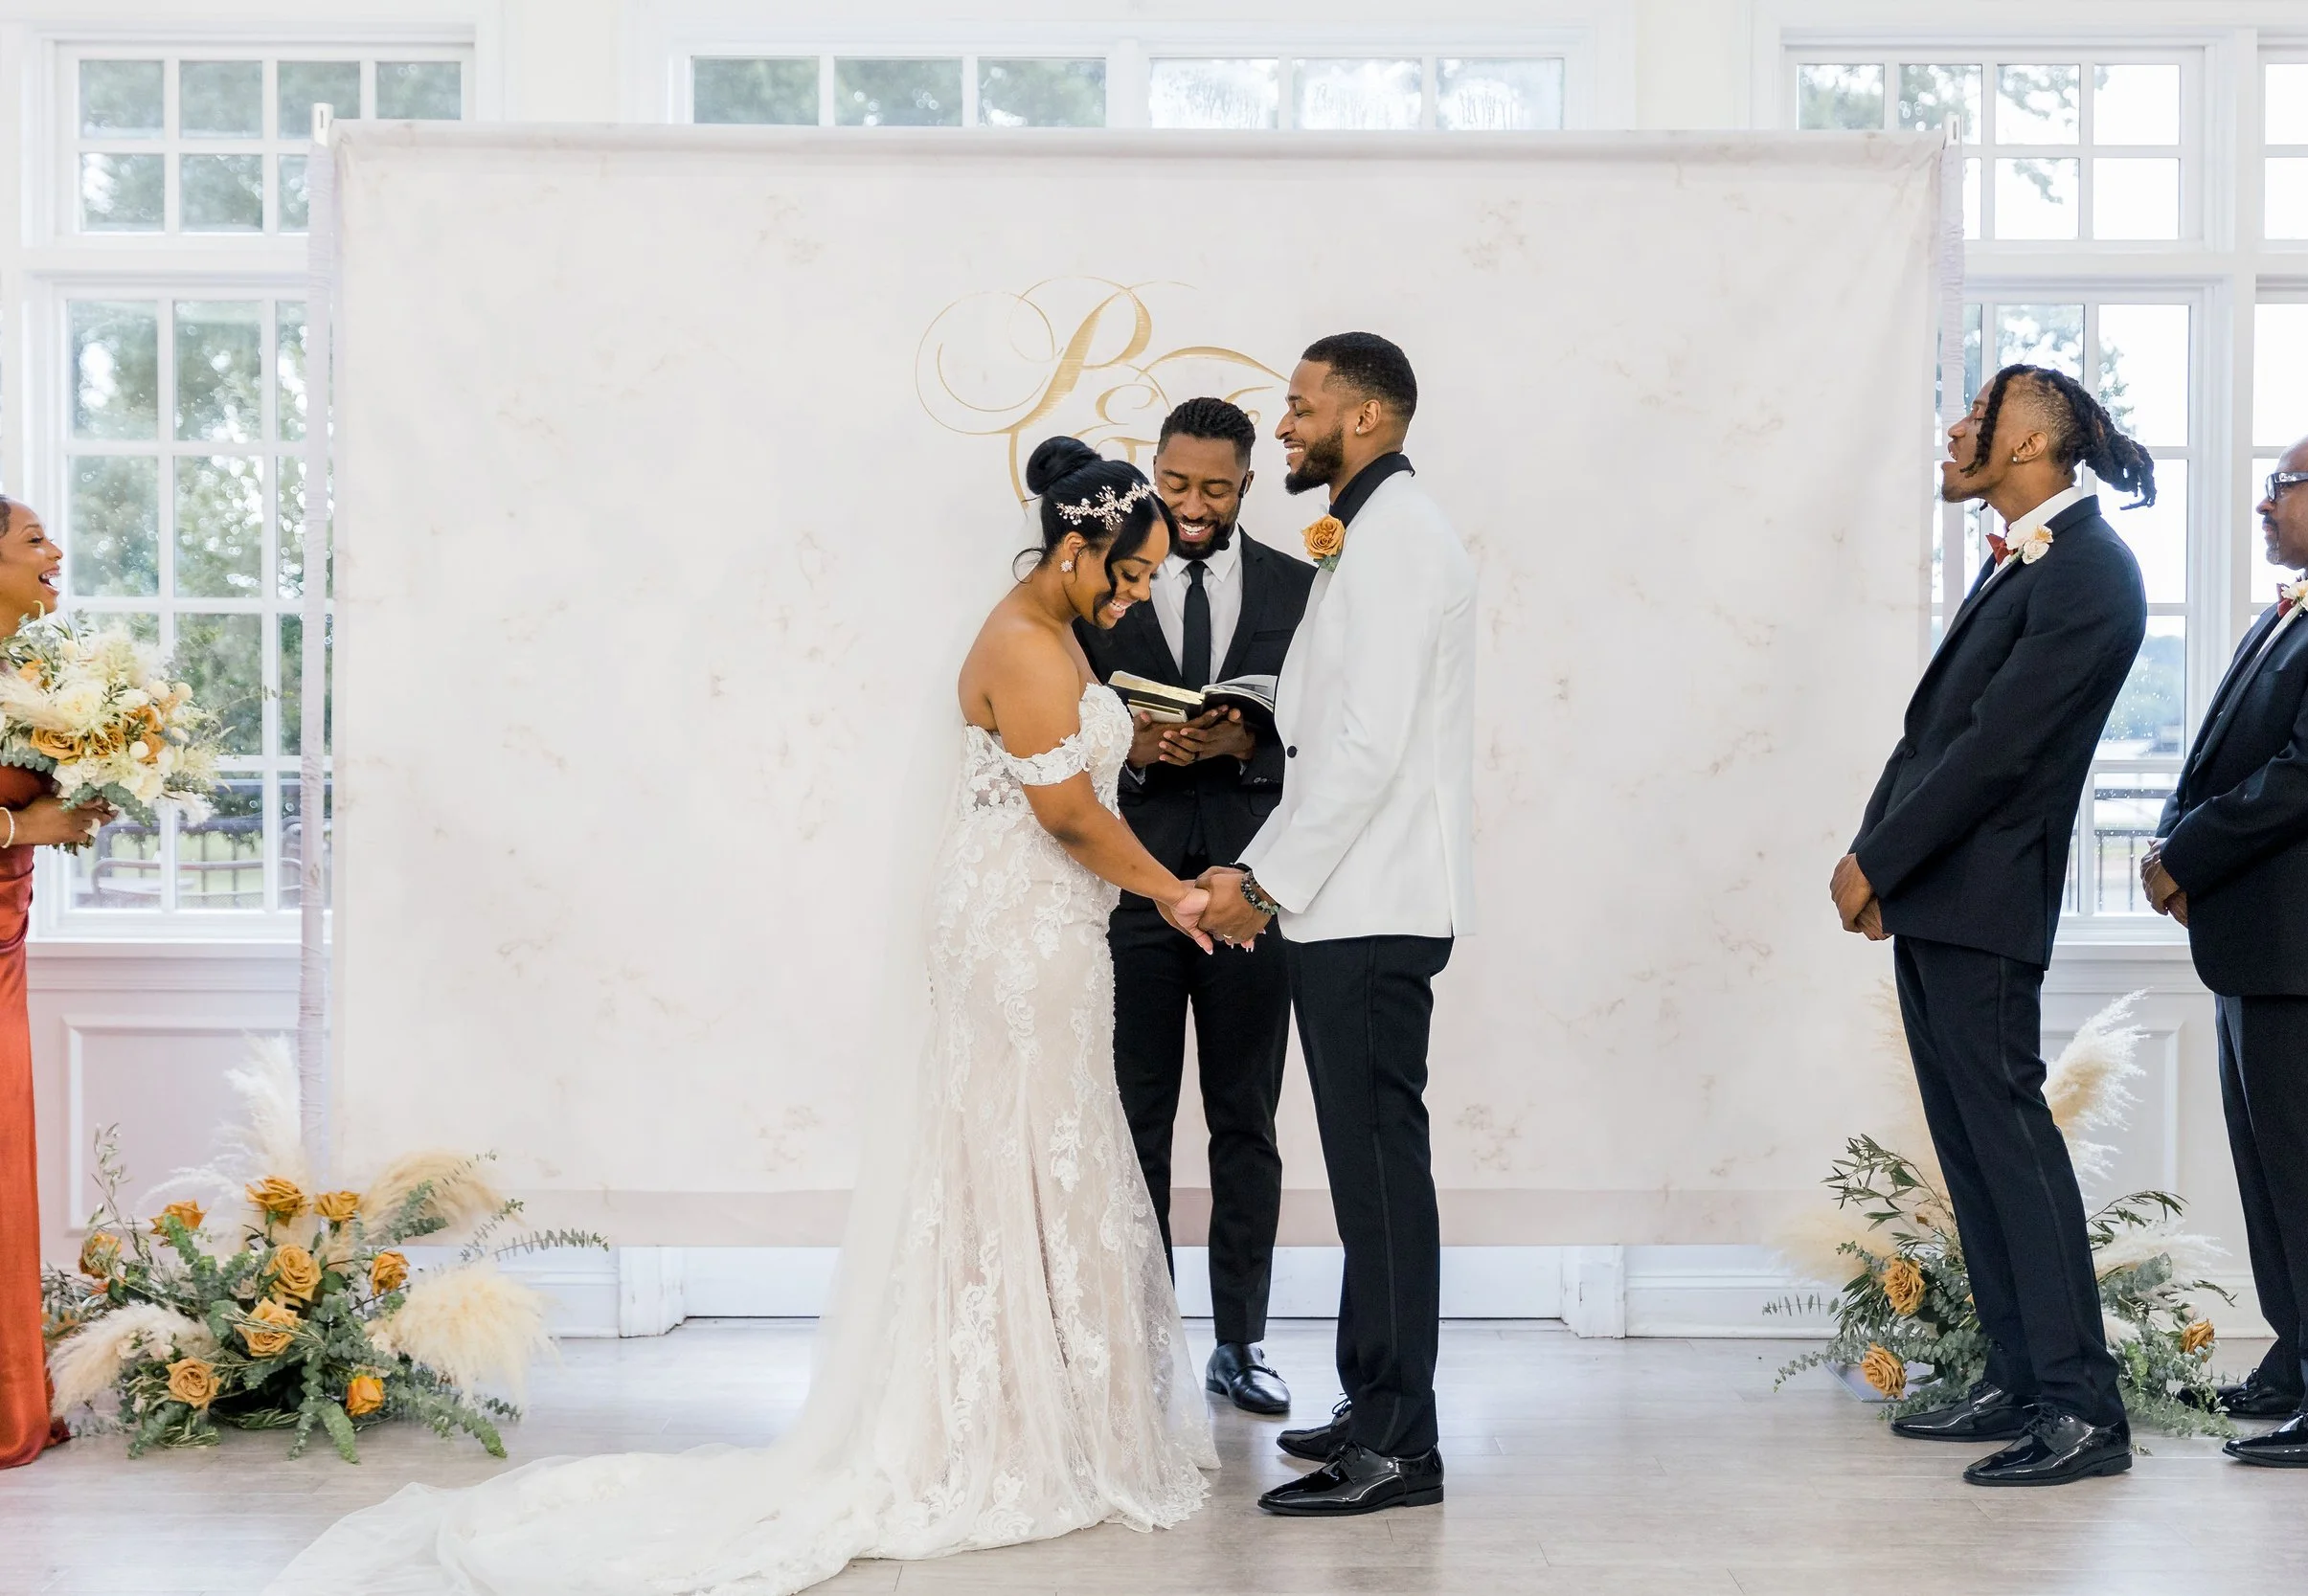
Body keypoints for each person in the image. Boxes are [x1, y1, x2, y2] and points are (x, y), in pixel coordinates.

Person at [268, 441, 1219, 1593]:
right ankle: (994, 1424)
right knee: (1011, 1149)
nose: (1134, 596)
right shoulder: (1021, 642)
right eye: (1126, 575)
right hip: (1017, 927)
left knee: (1043, 1151)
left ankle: (1046, 1412)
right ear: (1076, 547)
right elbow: (1066, 816)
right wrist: (1171, 888)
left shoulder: (1061, 628)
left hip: (1050, 924)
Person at [1833, 365, 2150, 1486]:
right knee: (1973, 1149)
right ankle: (2018, 1379)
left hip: (1986, 895)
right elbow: (1939, 729)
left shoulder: (2090, 572)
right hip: (1945, 894)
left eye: (1975, 416)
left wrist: (1877, 856)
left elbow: (1996, 747)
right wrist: (1886, 863)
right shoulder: (2030, 556)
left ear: (2025, 446)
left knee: (2011, 1149)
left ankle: (2079, 1409)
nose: (1955, 429)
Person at [1197, 333, 1476, 1517]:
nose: (1287, 426)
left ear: (1365, 418)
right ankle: (1371, 1399)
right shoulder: (1363, 532)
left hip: (1369, 904)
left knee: (1378, 1176)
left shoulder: (1401, 539)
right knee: (1365, 1171)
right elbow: (1334, 718)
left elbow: (1363, 749)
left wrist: (1260, 881)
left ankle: (1404, 1447)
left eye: (1302, 409)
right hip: (1346, 903)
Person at [2142, 428, 2308, 1468]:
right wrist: (2170, 842)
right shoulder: (2307, 606)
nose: (2262, 504)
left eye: (2280, 487)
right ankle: (2300, 1360)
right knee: (2270, 1167)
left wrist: (2187, 853)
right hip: (2262, 940)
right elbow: (2221, 752)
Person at [1074, 397, 1316, 1418]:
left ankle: (1242, 1340)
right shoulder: (1101, 583)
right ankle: (1139, 1339)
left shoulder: (1302, 587)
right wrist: (1131, 740)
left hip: (1250, 887)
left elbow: (1326, 723)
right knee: (1134, 1115)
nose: (1193, 503)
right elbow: (1062, 708)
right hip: (1135, 878)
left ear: (1247, 484)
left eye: (1215, 487)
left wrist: (1247, 738)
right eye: (1176, 484)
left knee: (1244, 1118)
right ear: (1153, 474)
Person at [0, 498, 114, 1470]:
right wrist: (22, 828)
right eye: (33, 539)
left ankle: (14, 1394)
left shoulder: (36, 672)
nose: (56, 552)